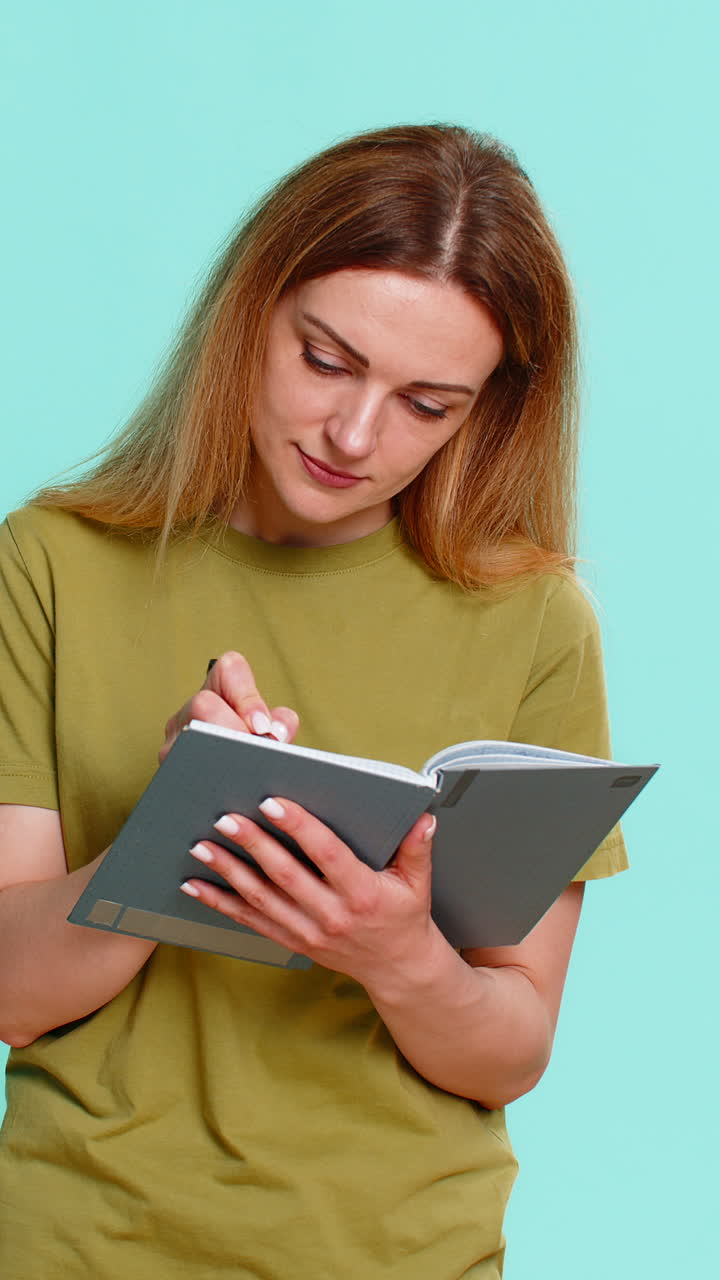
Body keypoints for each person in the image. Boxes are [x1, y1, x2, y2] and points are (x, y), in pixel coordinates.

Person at [0, 123, 628, 1278]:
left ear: (488, 409)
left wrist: (398, 956)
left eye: (426, 404)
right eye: (326, 360)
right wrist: (177, 824)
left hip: (401, 1250)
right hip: (85, 1240)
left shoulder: (537, 620)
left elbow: (509, 1050)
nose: (354, 435)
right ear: (252, 311)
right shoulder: (51, 562)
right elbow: (12, 993)